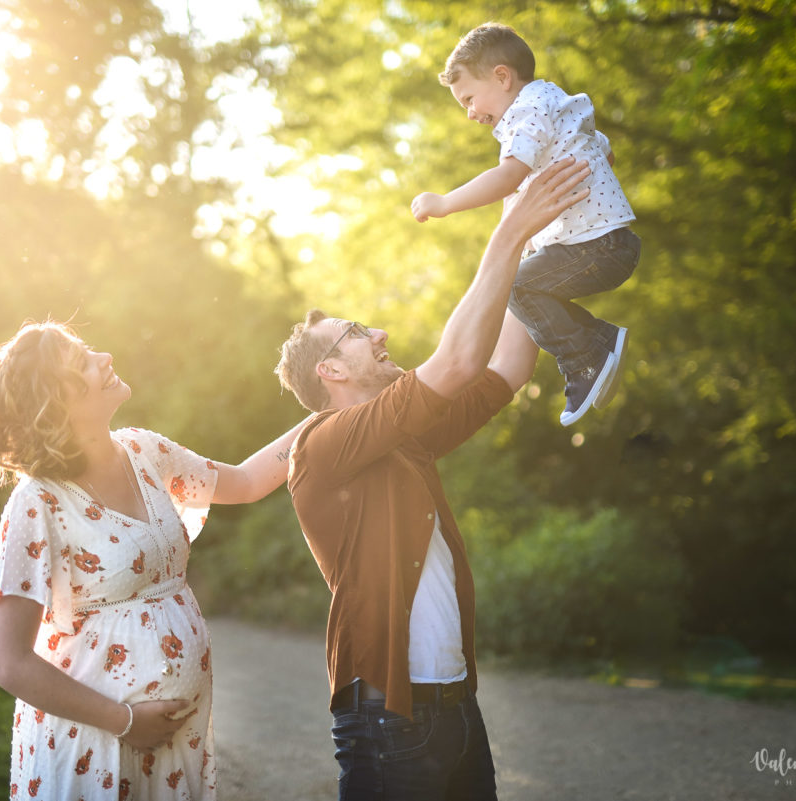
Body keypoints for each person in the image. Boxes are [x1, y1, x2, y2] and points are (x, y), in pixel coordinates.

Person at [275, 158, 591, 800]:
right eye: (358, 332)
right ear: (331, 371)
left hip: (455, 705)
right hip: (391, 714)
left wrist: (531, 243)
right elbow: (456, 360)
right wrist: (506, 235)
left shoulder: (403, 441)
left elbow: (504, 367)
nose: (380, 333)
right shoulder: (321, 447)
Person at [0, 321, 304, 801]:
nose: (103, 358)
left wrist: (327, 415)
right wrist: (124, 722)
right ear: (52, 402)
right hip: (93, 744)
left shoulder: (147, 451)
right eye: (81, 362)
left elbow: (247, 482)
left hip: (171, 745)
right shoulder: (37, 503)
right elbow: (7, 662)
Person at [411, 21, 642, 426]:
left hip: (596, 249)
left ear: (502, 77)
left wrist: (445, 202)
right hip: (610, 244)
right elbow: (604, 151)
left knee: (515, 286)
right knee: (524, 285)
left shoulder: (527, 110)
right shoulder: (553, 102)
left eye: (468, 98)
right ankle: (596, 344)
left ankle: (588, 354)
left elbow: (508, 177)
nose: (469, 114)